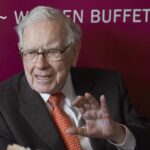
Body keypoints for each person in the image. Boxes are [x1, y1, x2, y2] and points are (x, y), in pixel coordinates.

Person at [0, 6, 149, 150]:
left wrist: (118, 134)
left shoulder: (111, 84)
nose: (40, 64)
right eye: (30, 52)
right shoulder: (3, 104)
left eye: (52, 51)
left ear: (74, 52)